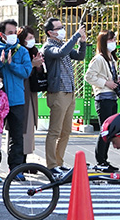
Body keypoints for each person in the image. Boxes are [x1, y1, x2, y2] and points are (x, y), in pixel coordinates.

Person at [42, 19, 86, 174]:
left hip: (70, 92)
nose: (62, 30)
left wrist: (82, 42)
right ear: (50, 32)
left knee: (66, 131)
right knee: (55, 131)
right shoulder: (49, 47)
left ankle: (59, 162)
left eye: (63, 27)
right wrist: (75, 37)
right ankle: (51, 165)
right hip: (58, 93)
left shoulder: (63, 45)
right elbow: (60, 53)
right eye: (59, 28)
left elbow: (79, 56)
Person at [0, 19, 32, 173]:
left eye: (15, 32)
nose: (14, 35)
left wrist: (11, 64)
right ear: (2, 35)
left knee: (16, 136)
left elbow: (27, 72)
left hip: (16, 100)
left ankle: (16, 169)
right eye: (10, 33)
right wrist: (0, 63)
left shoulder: (22, 51)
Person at [85, 30, 119, 171]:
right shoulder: (99, 59)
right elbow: (89, 76)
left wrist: (114, 81)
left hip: (111, 97)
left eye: (114, 40)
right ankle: (101, 161)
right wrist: (106, 82)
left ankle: (103, 160)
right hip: (103, 97)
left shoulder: (111, 58)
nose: (113, 43)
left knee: (110, 129)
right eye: (110, 40)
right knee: (106, 130)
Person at [18, 26, 44, 163]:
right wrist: (32, 65)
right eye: (28, 38)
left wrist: (39, 65)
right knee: (23, 128)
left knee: (30, 128)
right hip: (22, 93)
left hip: (31, 93)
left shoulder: (34, 51)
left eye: (33, 37)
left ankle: (25, 159)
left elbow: (38, 73)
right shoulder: (18, 52)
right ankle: (19, 161)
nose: (32, 40)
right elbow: (20, 73)